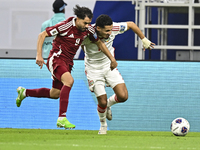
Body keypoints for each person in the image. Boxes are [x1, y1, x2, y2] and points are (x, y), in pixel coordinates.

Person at [16, 6, 117, 130]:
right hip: (56, 59)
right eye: (85, 23)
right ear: (77, 19)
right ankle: (61, 118)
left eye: (89, 23)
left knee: (55, 93)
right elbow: (42, 35)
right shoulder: (64, 26)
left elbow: (99, 43)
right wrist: (39, 55)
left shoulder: (88, 30)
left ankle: (24, 92)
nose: (87, 25)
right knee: (69, 81)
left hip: (68, 63)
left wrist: (112, 59)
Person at [81, 14, 155, 134]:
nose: (110, 33)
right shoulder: (87, 34)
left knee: (123, 96)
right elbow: (80, 45)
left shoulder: (114, 28)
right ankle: (103, 126)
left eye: (110, 30)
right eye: (107, 31)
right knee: (102, 101)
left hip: (109, 66)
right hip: (93, 70)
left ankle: (108, 105)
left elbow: (131, 24)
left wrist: (143, 39)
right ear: (98, 28)